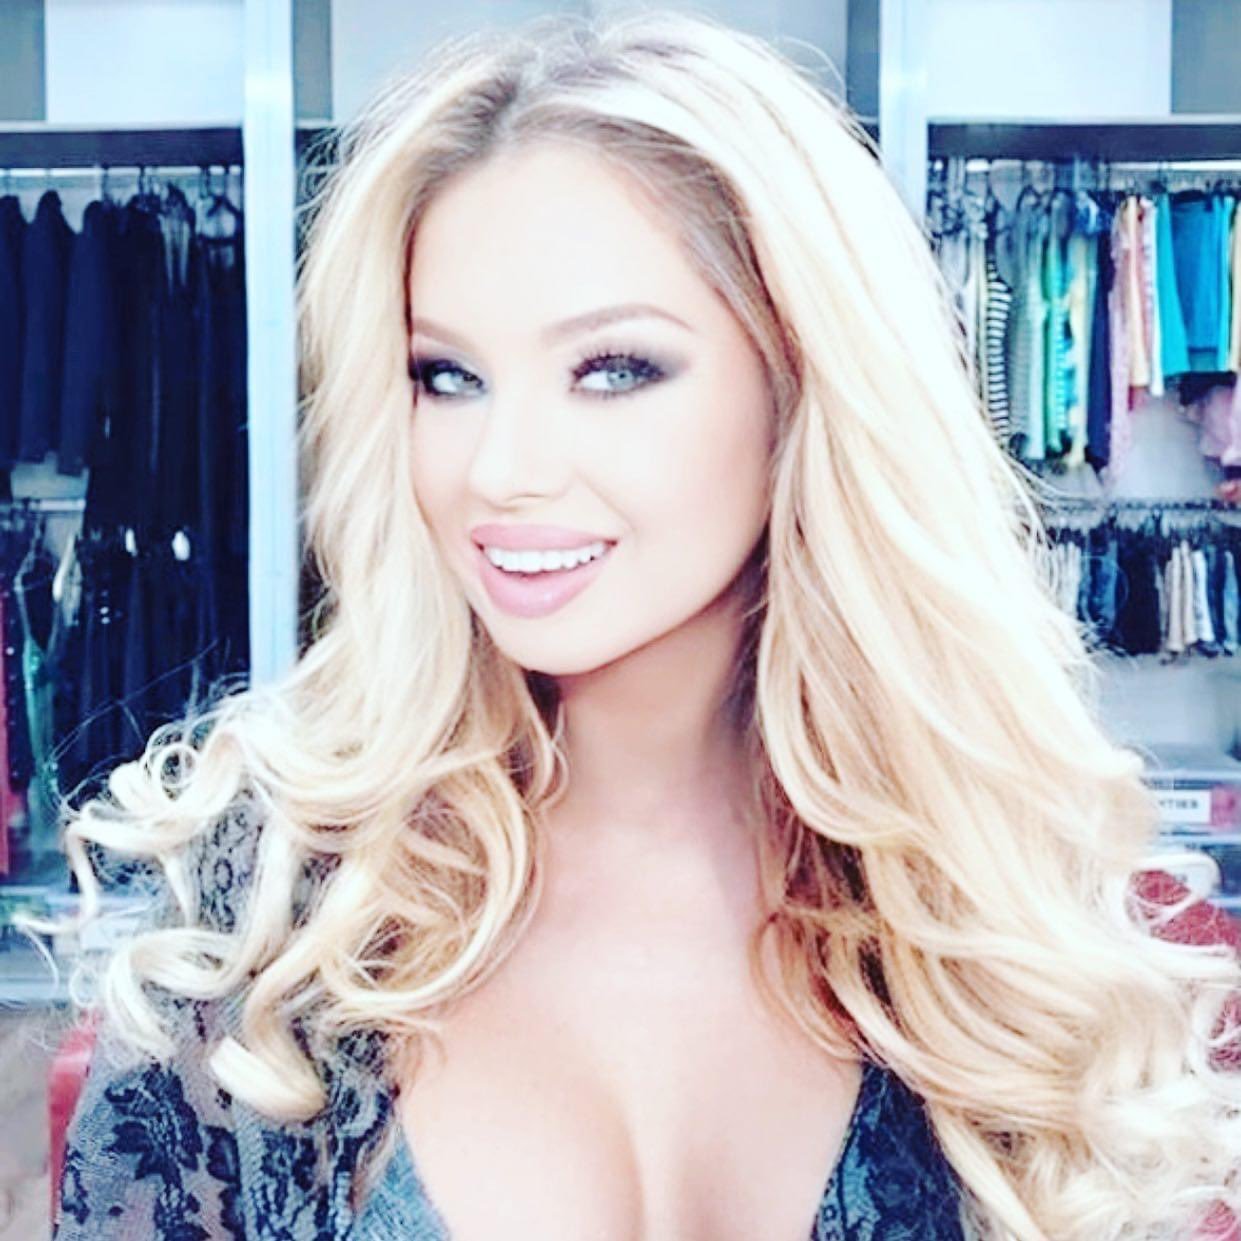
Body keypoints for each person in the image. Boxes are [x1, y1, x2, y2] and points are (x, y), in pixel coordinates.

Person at [39, 9, 1241, 1240]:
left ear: (801, 382)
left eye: (613, 369)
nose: (499, 469)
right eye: (446, 376)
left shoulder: (995, 908)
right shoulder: (264, 912)